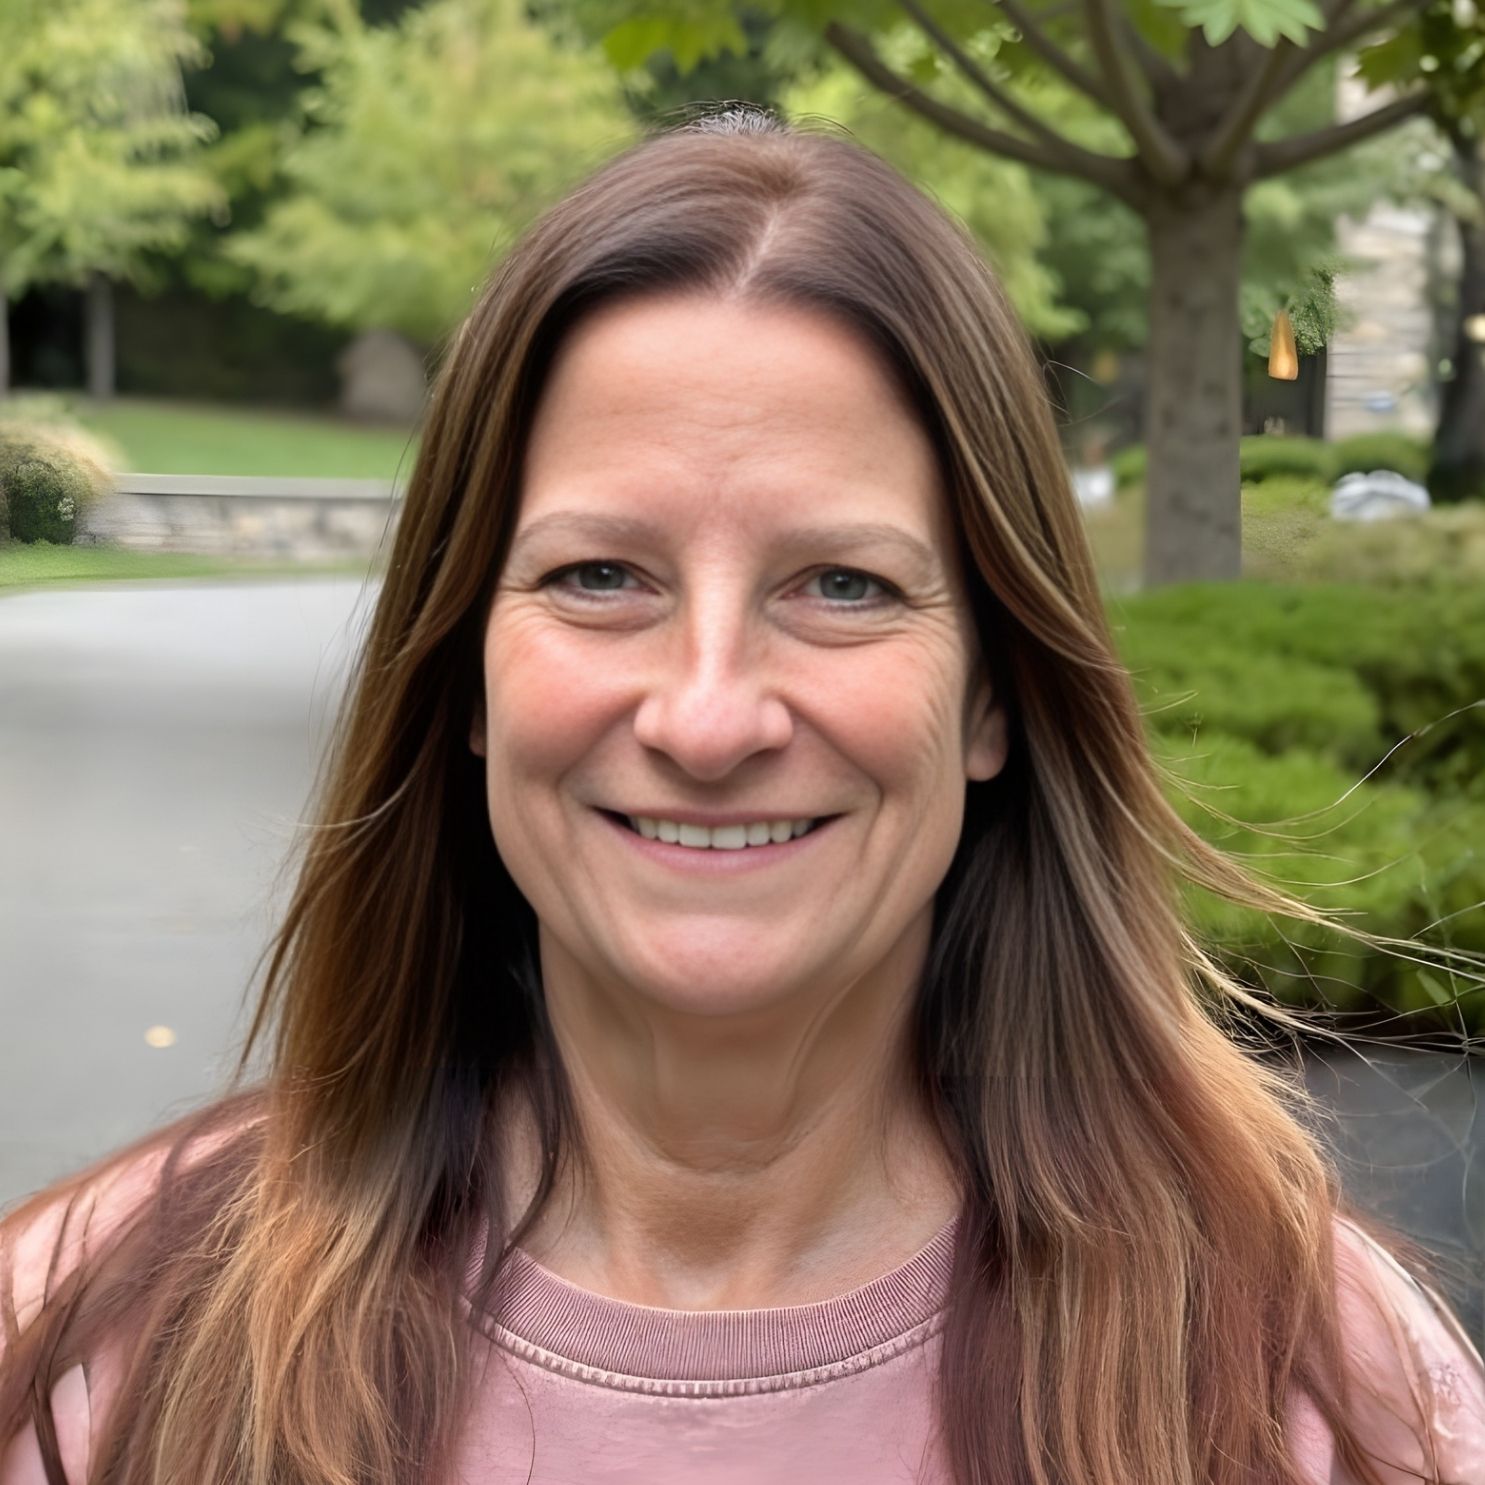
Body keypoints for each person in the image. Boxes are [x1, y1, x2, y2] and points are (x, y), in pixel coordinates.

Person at [2, 106, 1483, 1485]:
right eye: (600, 576)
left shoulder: (1317, 1391)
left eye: (842, 584)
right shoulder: (94, 1352)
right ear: (464, 680)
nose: (708, 718)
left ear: (992, 692)